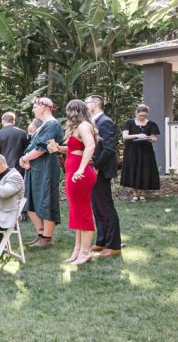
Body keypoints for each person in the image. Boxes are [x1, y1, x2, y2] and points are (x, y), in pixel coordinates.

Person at [47, 99, 98, 264]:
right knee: (75, 212)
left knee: (82, 211)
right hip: (72, 171)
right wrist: (58, 149)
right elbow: (74, 149)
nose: (67, 115)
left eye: (69, 111)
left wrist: (82, 168)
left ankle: (85, 252)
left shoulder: (84, 126)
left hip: (79, 174)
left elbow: (90, 146)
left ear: (74, 111)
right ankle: (77, 250)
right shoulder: (77, 127)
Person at [21, 97, 64, 248]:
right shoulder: (44, 125)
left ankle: (47, 237)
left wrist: (25, 158)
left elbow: (42, 148)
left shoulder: (52, 124)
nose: (33, 109)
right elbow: (48, 147)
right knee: (30, 199)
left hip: (46, 168)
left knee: (46, 200)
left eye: (35, 107)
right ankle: (40, 234)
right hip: (36, 167)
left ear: (44, 107)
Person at [85, 95, 120, 257]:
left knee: (106, 208)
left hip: (101, 170)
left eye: (87, 103)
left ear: (96, 104)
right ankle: (101, 240)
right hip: (93, 170)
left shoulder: (105, 122)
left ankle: (113, 245)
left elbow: (108, 148)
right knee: (97, 207)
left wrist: (97, 167)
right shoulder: (92, 122)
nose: (86, 105)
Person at [121, 103, 161, 202]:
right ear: (136, 113)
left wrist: (151, 139)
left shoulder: (151, 124)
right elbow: (125, 136)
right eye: (140, 115)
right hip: (132, 151)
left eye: (144, 115)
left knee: (145, 170)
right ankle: (135, 194)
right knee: (133, 170)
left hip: (146, 151)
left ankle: (143, 194)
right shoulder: (129, 123)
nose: (142, 117)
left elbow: (154, 137)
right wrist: (138, 135)